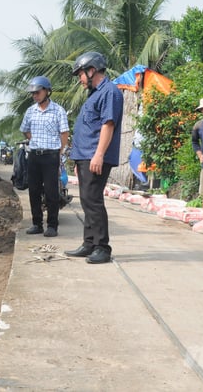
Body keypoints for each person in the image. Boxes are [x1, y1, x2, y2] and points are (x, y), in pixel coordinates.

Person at [64, 52, 123, 264]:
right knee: (87, 200)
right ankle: (89, 243)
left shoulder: (110, 92)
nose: (80, 79)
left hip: (95, 156)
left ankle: (102, 247)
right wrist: (79, 160)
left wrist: (98, 155)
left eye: (80, 74)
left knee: (93, 201)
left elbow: (108, 125)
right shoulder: (94, 94)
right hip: (85, 157)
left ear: (92, 71)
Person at [19, 75, 70, 238]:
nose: (34, 95)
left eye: (37, 92)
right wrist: (34, 140)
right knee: (33, 190)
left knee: (51, 192)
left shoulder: (58, 111)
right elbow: (25, 129)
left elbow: (64, 133)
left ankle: (52, 226)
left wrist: (60, 151)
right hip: (34, 156)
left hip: (51, 156)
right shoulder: (30, 111)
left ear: (47, 92)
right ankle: (36, 224)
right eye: (32, 93)